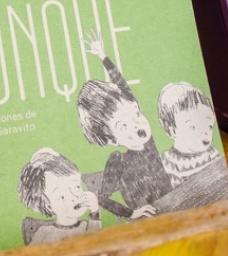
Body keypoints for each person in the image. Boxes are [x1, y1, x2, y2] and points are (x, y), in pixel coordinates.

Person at [77, 31, 171, 220]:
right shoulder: (118, 160)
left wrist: (103, 57)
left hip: (173, 205)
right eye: (123, 126)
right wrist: (130, 213)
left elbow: (123, 86)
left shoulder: (148, 141)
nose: (136, 125)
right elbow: (102, 198)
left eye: (136, 113)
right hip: (148, 221)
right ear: (112, 138)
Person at [17, 148, 101, 245]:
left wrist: (95, 212)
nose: (74, 197)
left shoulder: (87, 226)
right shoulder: (44, 232)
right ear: (49, 206)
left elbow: (96, 241)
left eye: (77, 187)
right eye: (62, 197)